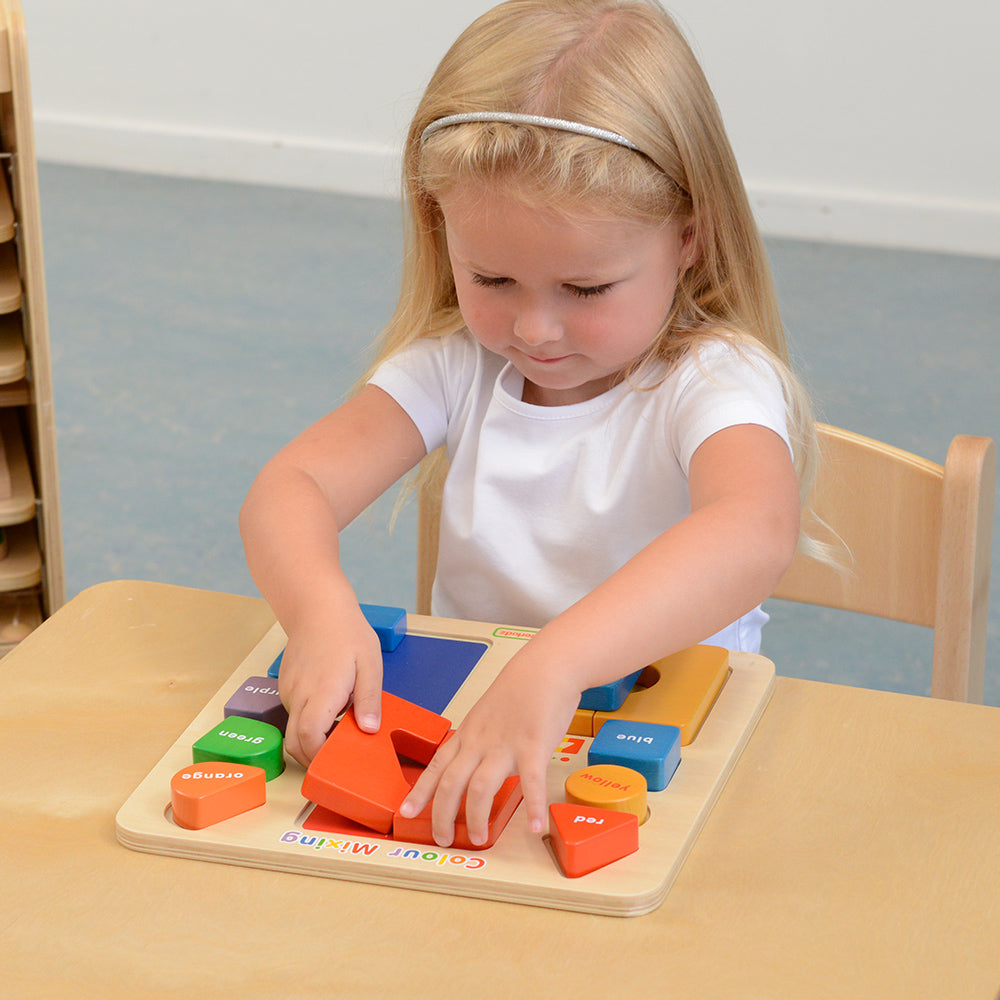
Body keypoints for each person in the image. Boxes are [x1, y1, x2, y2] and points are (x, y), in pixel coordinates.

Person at [240, 0, 819, 849]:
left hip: (663, 744)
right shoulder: (454, 364)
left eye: (586, 291)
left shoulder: (714, 379)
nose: (534, 331)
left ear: (688, 238)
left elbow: (753, 529)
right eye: (492, 278)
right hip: (483, 723)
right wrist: (320, 611)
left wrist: (555, 661)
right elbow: (291, 486)